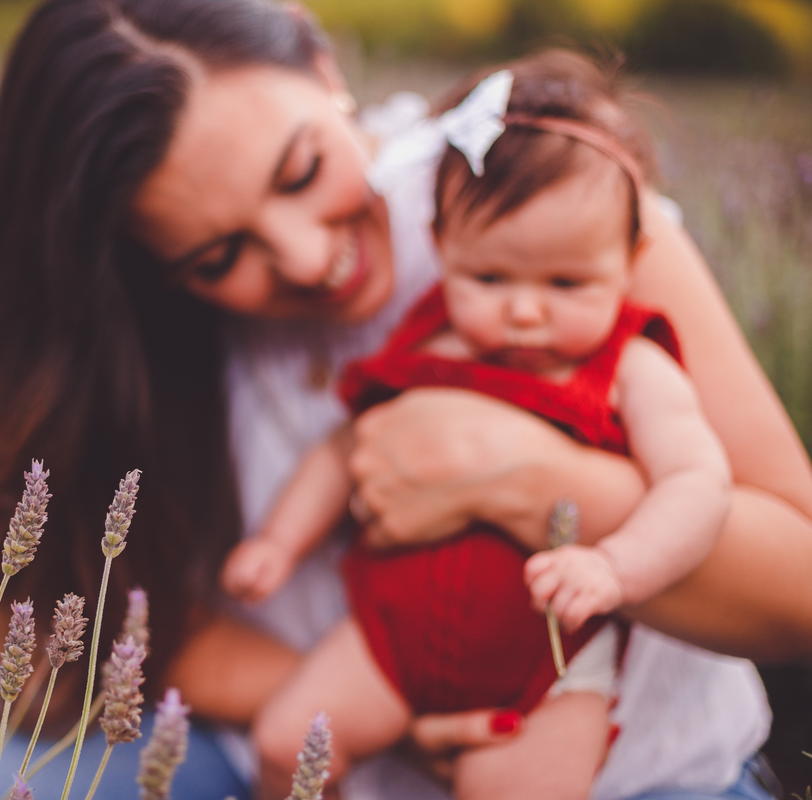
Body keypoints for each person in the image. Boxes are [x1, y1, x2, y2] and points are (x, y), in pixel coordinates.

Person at [0, 0, 812, 797]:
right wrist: (374, 702)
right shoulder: (149, 338)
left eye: (301, 170)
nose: (307, 258)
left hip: (626, 774)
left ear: (324, 67)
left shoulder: (540, 198)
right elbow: (115, 613)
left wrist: (517, 478)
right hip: (313, 745)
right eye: (218, 257)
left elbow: (798, 588)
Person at [221, 58, 733, 800]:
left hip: (546, 661)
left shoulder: (631, 363)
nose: (525, 311)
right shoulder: (432, 340)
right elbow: (347, 447)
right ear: (443, 248)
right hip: (390, 635)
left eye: (566, 283)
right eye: (489, 279)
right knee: (284, 745)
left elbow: (701, 483)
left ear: (631, 259)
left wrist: (617, 567)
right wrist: (280, 541)